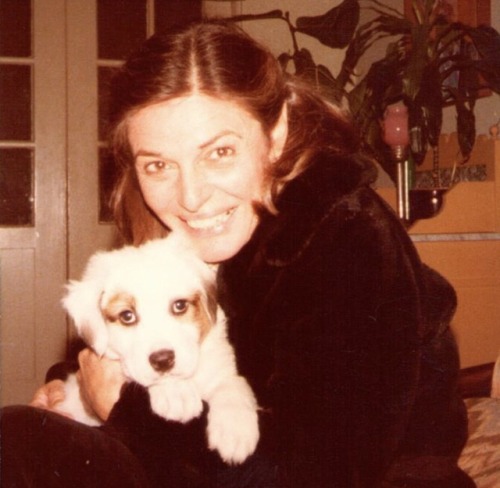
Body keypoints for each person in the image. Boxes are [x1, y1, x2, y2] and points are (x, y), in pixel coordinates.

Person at [1, 20, 475, 488]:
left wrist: (127, 411)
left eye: (219, 152)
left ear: (277, 132)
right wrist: (77, 386)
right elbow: (181, 341)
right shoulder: (211, 231)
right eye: (159, 164)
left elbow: (323, 474)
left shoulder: (347, 241)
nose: (191, 197)